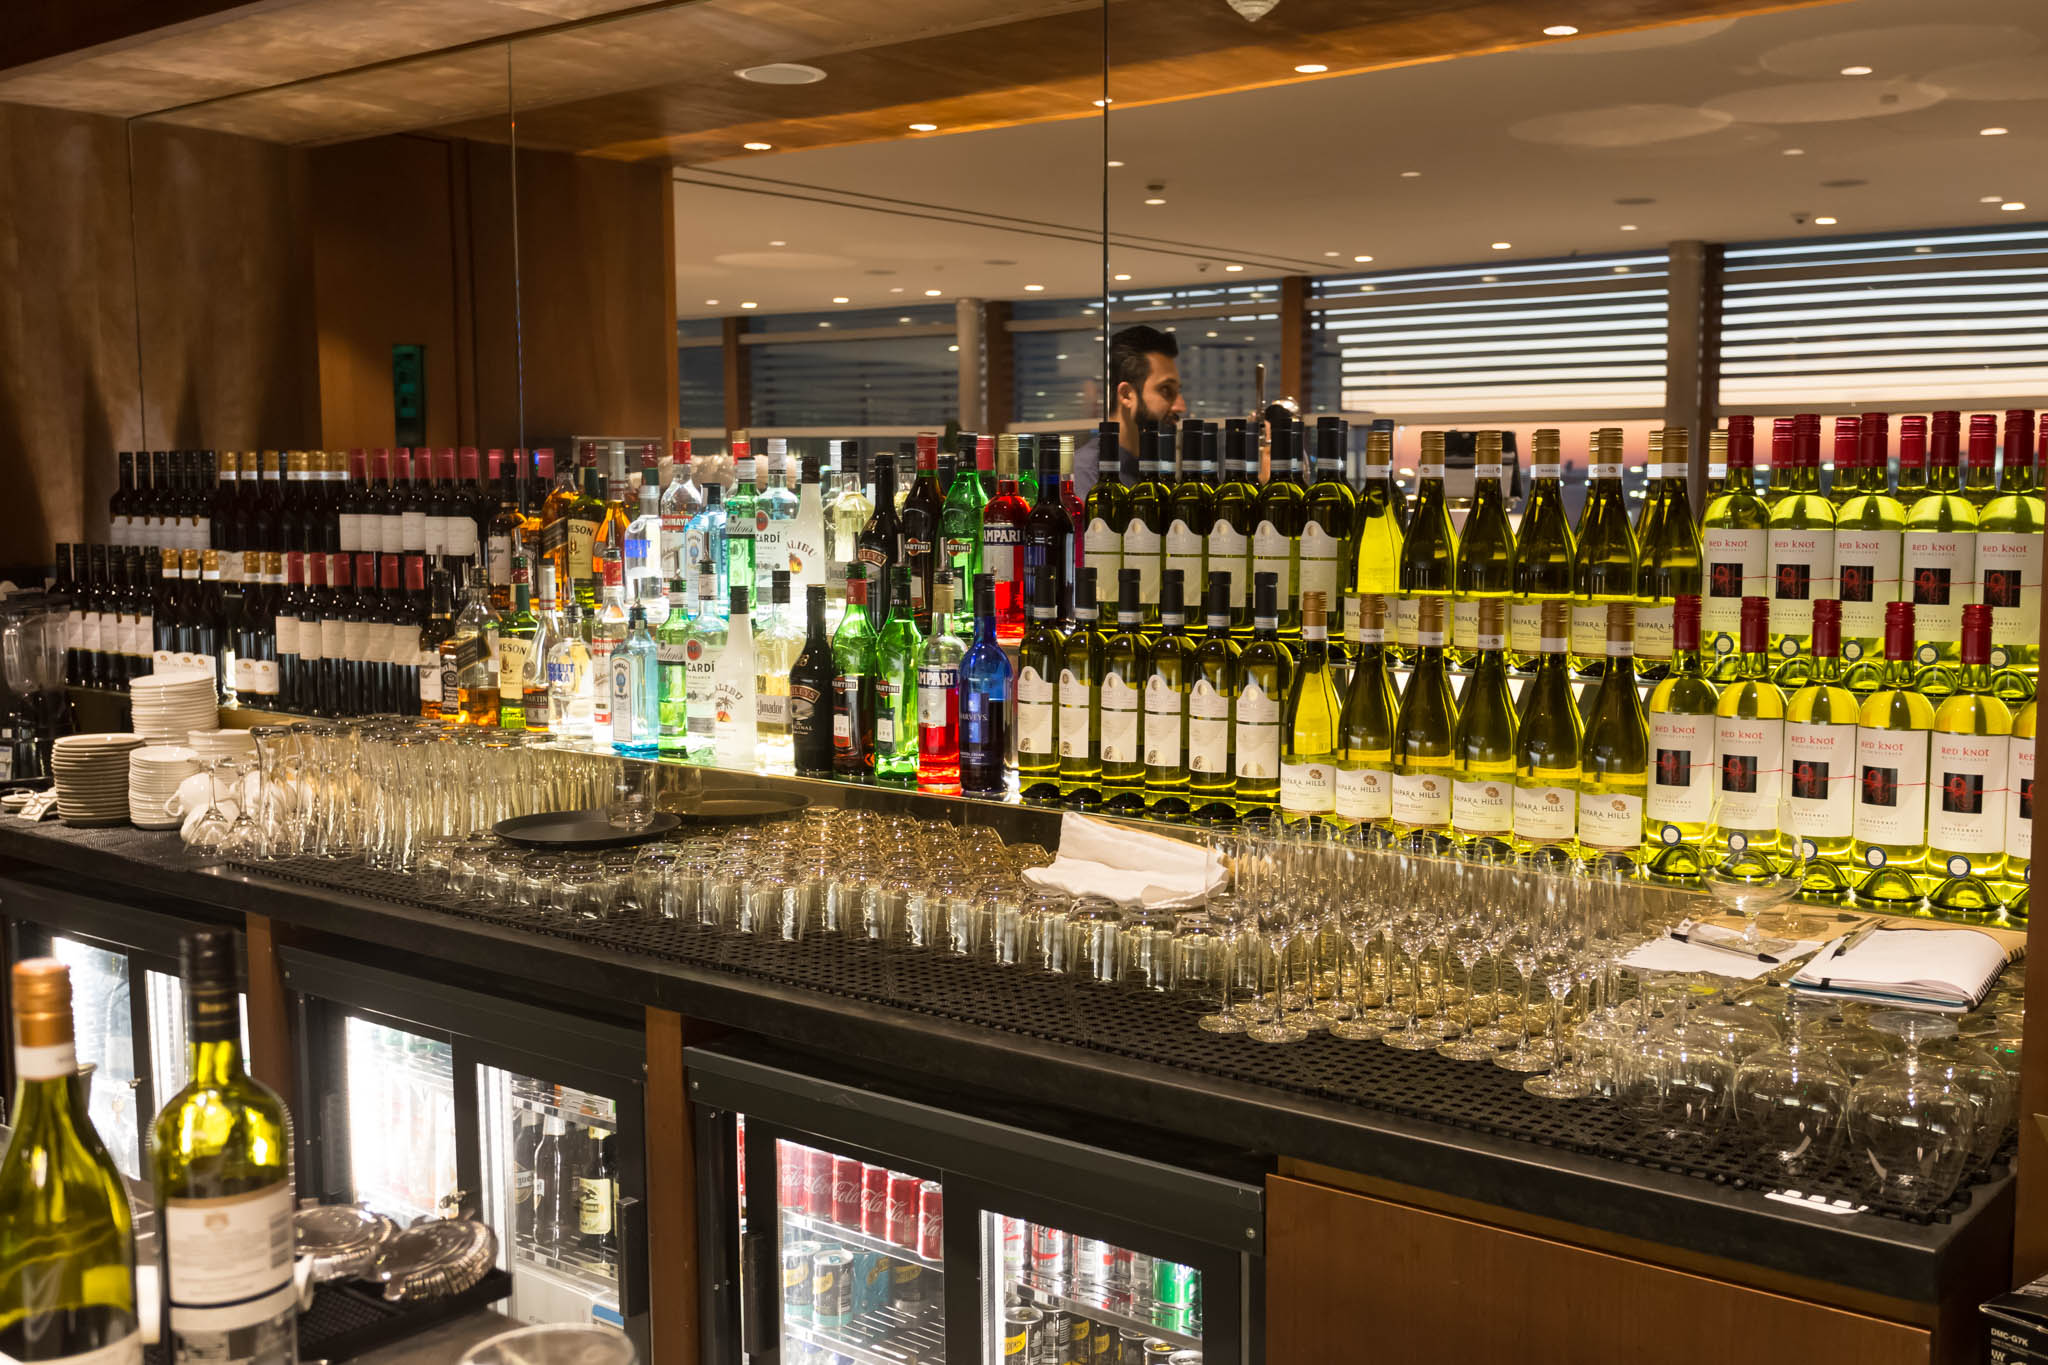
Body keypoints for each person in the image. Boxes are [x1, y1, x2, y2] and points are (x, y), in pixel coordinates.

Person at [1071, 324, 1187, 504]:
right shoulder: (1084, 476)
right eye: (1166, 390)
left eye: (1178, 391)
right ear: (1126, 395)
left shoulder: (1159, 473)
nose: (1181, 406)